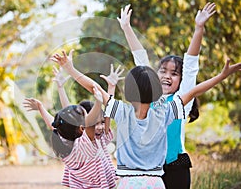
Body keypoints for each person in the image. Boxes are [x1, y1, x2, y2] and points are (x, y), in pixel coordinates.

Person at [51, 49, 241, 189]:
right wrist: (222, 76)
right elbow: (193, 91)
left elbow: (94, 87)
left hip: (127, 183)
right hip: (155, 182)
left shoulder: (121, 111)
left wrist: (70, 68)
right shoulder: (164, 113)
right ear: (156, 91)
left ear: (129, 91)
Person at [117, 2, 216, 188]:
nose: (167, 76)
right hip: (149, 168)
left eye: (174, 73)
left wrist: (198, 28)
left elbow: (192, 65)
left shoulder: (181, 103)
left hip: (175, 167)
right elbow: (141, 59)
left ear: (180, 80)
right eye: (163, 71)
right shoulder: (148, 99)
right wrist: (127, 28)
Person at [23, 71, 117, 188]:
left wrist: (42, 107)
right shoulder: (86, 144)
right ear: (82, 128)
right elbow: (91, 122)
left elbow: (58, 122)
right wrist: (98, 102)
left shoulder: (65, 141)